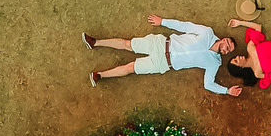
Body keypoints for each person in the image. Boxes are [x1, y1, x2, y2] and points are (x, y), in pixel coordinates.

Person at [85, 14, 242, 96]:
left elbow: (208, 84)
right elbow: (185, 26)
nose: (226, 49)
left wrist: (227, 91)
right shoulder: (207, 32)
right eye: (227, 45)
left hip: (164, 63)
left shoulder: (214, 63)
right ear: (224, 39)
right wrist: (163, 22)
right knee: (128, 44)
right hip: (161, 43)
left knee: (130, 68)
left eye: (229, 51)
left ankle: (99, 75)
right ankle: (95, 42)